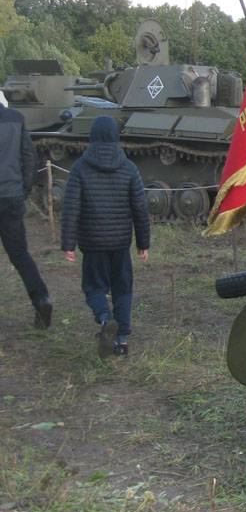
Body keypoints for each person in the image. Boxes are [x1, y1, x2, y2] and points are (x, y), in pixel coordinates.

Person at [60, 116, 150, 357]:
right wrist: (143, 243)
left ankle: (104, 318)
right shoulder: (129, 168)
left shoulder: (80, 168)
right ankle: (121, 339)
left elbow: (71, 208)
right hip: (120, 243)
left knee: (94, 287)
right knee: (123, 289)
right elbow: (140, 208)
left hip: (92, 242)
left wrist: (68, 244)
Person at [0, 92, 52, 328]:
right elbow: (29, 157)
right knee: (20, 254)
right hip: (12, 195)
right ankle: (41, 298)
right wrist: (23, 189)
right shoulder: (17, 118)